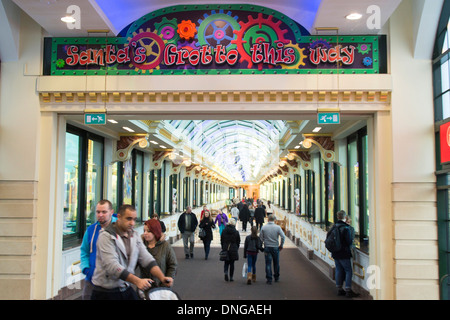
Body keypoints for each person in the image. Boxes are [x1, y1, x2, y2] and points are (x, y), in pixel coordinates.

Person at [91, 204, 173, 300]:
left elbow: (147, 258)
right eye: (128, 219)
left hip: (125, 287)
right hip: (105, 292)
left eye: (134, 219)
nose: (132, 223)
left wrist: (162, 277)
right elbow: (112, 266)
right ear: (119, 217)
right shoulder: (106, 236)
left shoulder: (135, 235)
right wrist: (137, 281)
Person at [80, 199, 117, 300]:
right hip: (92, 280)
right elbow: (84, 251)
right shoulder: (91, 230)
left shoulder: (119, 228)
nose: (100, 215)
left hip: (113, 282)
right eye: (98, 212)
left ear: (111, 212)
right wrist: (87, 269)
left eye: (104, 212)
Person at [328, 210, 360, 298]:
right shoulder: (346, 228)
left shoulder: (334, 227)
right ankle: (348, 290)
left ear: (337, 217)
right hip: (344, 253)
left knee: (338, 269)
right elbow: (349, 241)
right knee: (348, 270)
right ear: (345, 217)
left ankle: (339, 289)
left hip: (335, 252)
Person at [140, 219, 177, 289]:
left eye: (148, 231)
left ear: (155, 232)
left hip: (161, 287)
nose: (145, 233)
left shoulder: (165, 246)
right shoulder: (141, 246)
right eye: (144, 231)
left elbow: (173, 264)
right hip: (145, 287)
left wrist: (168, 279)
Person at [260, 214, 285, 284]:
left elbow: (261, 238)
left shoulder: (264, 227)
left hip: (267, 247)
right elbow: (283, 237)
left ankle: (269, 278)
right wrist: (281, 245)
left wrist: (261, 246)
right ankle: (276, 277)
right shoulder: (277, 227)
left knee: (268, 263)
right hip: (275, 247)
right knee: (276, 263)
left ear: (268, 219)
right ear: (274, 220)